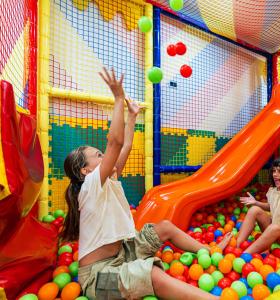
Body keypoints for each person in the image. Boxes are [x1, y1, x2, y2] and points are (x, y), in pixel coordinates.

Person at [60, 68, 231, 300]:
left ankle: (210, 251)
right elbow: (115, 143)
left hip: (124, 252)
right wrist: (118, 98)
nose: (105, 158)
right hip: (99, 277)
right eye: (98, 156)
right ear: (85, 170)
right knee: (153, 276)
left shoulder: (109, 177)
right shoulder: (90, 186)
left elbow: (125, 146)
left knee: (165, 227)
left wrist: (132, 117)